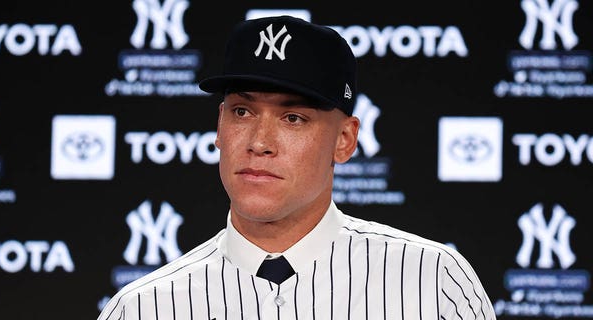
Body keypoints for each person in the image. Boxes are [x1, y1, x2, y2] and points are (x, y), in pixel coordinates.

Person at [97, 15, 496, 320]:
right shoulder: (142, 309)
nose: (259, 142)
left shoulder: (432, 283)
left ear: (345, 139)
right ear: (220, 125)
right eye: (242, 111)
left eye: (293, 118)